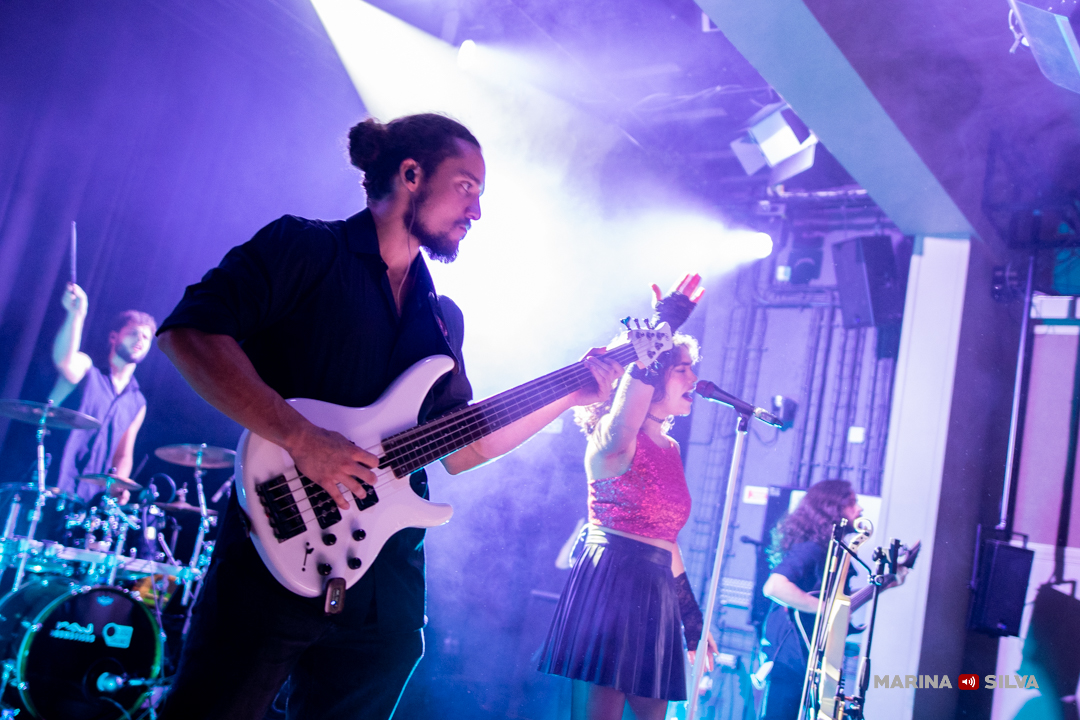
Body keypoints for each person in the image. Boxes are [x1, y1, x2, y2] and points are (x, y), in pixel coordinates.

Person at [154, 113, 624, 720]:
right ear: (411, 174)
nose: (477, 211)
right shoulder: (306, 247)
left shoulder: (441, 317)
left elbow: (464, 448)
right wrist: (303, 438)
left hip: (384, 585)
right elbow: (190, 335)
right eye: (466, 187)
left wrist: (568, 392)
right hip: (274, 546)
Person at [538, 274, 718, 720]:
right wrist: (663, 329)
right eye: (682, 368)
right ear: (654, 377)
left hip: (656, 590)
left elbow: (666, 541)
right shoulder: (613, 436)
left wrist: (692, 622)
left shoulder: (670, 448)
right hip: (612, 582)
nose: (694, 378)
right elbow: (626, 420)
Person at [759, 479, 863, 720]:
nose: (859, 509)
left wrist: (885, 583)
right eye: (852, 503)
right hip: (792, 657)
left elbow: (836, 604)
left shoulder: (832, 551)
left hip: (809, 658)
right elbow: (774, 586)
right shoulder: (812, 549)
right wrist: (824, 608)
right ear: (832, 508)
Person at [49, 282, 155, 502]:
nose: (140, 340)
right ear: (113, 337)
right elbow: (64, 360)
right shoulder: (87, 368)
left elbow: (123, 453)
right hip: (51, 485)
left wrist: (119, 485)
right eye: (133, 333)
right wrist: (76, 315)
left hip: (89, 501)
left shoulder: (138, 402)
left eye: (146, 337)